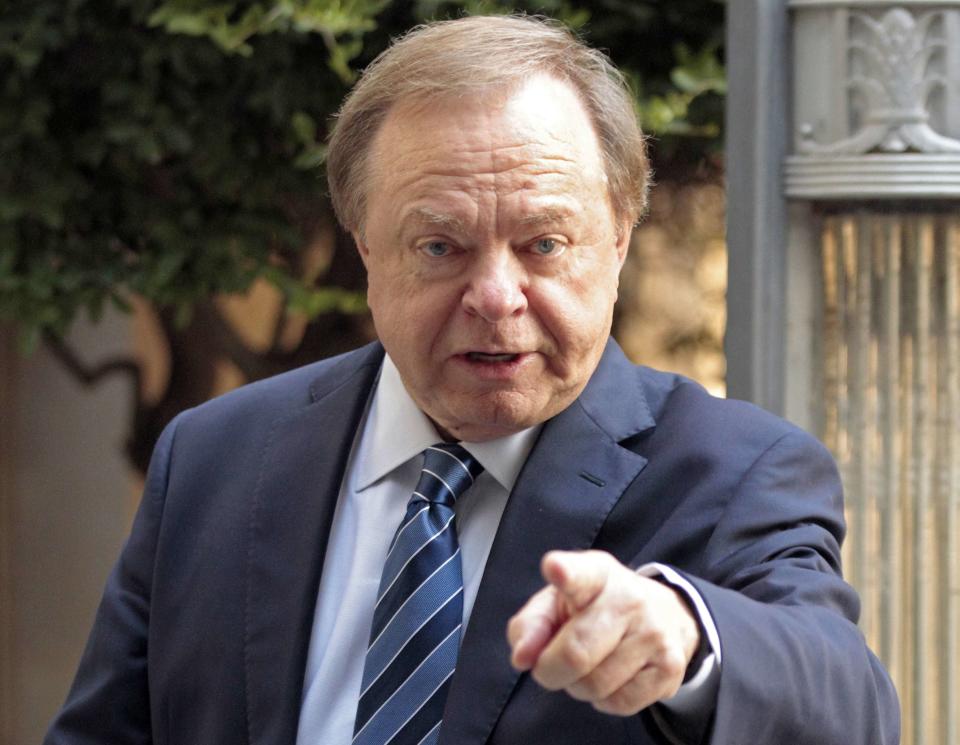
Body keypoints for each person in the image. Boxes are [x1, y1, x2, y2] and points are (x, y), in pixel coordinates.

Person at [45, 14, 899, 745]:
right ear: (367, 249)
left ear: (618, 245)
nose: (495, 298)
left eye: (545, 244)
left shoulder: (736, 474)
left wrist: (688, 636)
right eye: (440, 246)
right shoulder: (212, 457)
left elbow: (849, 703)